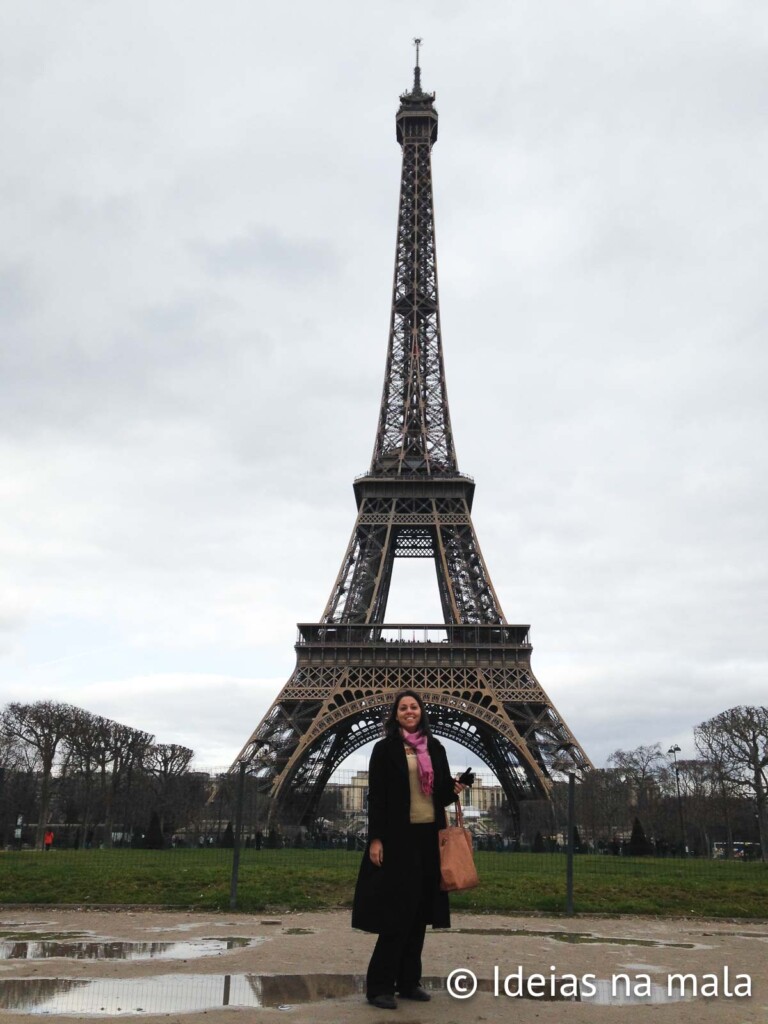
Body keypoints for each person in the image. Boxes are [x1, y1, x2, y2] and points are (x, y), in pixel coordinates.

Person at [351, 689, 468, 1010]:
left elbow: (440, 794)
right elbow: (377, 797)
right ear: (396, 713)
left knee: (418, 914)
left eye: (414, 706)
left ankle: (408, 981)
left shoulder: (435, 747)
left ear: (421, 711)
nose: (409, 711)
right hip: (398, 839)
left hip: (428, 839)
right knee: (396, 913)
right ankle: (379, 986)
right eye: (403, 707)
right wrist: (376, 838)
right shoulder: (385, 749)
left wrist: (454, 788)